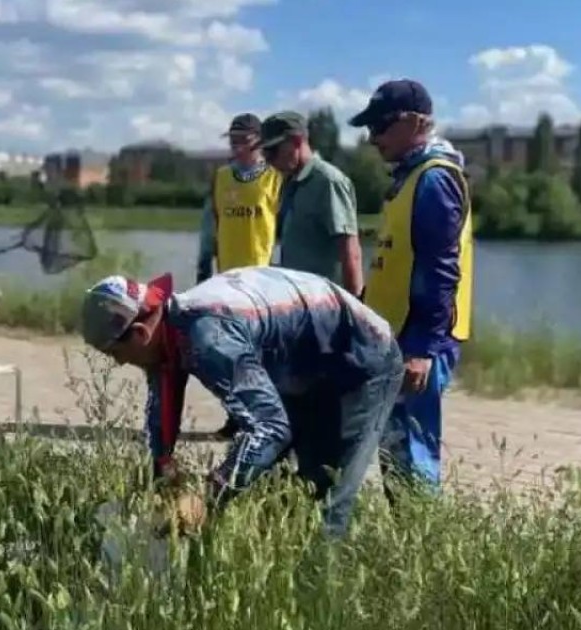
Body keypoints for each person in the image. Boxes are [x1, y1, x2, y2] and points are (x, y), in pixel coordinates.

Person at [78, 267, 405, 539]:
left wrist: (206, 497)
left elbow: (270, 427)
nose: (119, 364)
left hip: (360, 359)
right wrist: (163, 474)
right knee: (284, 490)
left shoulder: (209, 338)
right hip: (305, 363)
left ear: (139, 333)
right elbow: (161, 407)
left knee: (325, 498)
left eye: (115, 353)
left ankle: (324, 601)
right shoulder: (167, 332)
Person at [347, 78, 474, 500]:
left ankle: (421, 547)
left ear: (415, 121)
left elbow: (441, 272)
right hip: (396, 337)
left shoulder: (434, 179)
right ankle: (410, 540)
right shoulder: (410, 176)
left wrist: (421, 349)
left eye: (381, 125)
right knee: (396, 451)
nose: (373, 138)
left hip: (418, 344)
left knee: (412, 455)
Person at [195, 112, 284, 440]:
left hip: (263, 279)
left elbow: (284, 228)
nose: (235, 146)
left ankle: (267, 419)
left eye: (241, 140)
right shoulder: (221, 177)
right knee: (230, 351)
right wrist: (204, 265)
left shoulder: (275, 177)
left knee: (265, 352)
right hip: (227, 279)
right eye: (231, 140)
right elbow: (210, 224)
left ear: (258, 142)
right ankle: (236, 416)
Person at [256, 110, 363, 297]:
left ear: (297, 142)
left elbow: (350, 251)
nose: (268, 160)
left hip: (326, 303)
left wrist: (354, 309)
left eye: (273, 151)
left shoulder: (328, 182)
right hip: (298, 301)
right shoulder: (290, 182)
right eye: (265, 153)